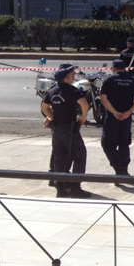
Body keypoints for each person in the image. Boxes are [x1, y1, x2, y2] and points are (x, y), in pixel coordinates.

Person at [41, 64, 91, 198]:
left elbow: (44, 107)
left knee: (60, 157)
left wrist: (53, 118)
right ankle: (75, 188)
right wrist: (83, 117)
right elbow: (85, 104)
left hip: (57, 128)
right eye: (71, 75)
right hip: (70, 129)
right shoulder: (72, 90)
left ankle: (60, 188)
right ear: (66, 79)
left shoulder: (53, 91)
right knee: (80, 156)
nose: (74, 76)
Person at [99, 59, 134, 180]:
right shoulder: (133, 80)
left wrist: (114, 112)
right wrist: (129, 112)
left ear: (113, 68)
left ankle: (118, 169)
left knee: (108, 144)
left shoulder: (109, 80)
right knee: (124, 144)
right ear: (125, 68)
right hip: (126, 118)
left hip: (112, 117)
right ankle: (124, 169)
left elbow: (103, 98)